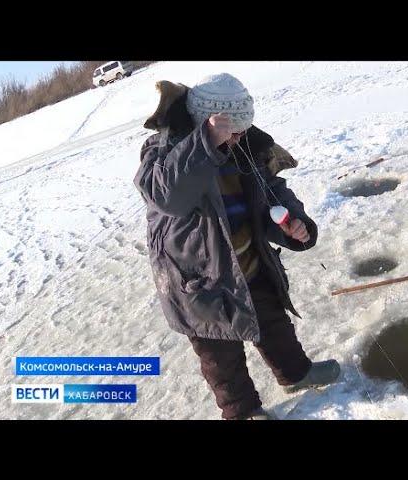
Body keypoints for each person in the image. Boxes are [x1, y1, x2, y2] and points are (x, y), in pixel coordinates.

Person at [134, 73, 340, 420]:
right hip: (198, 282)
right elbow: (166, 196)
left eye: (245, 128)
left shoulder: (247, 148)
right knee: (221, 357)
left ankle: (295, 373)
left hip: (249, 264)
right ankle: (242, 411)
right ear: (207, 123)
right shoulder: (162, 151)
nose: (241, 137)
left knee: (274, 324)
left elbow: (271, 190)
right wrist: (205, 144)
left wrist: (293, 223)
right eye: (234, 131)